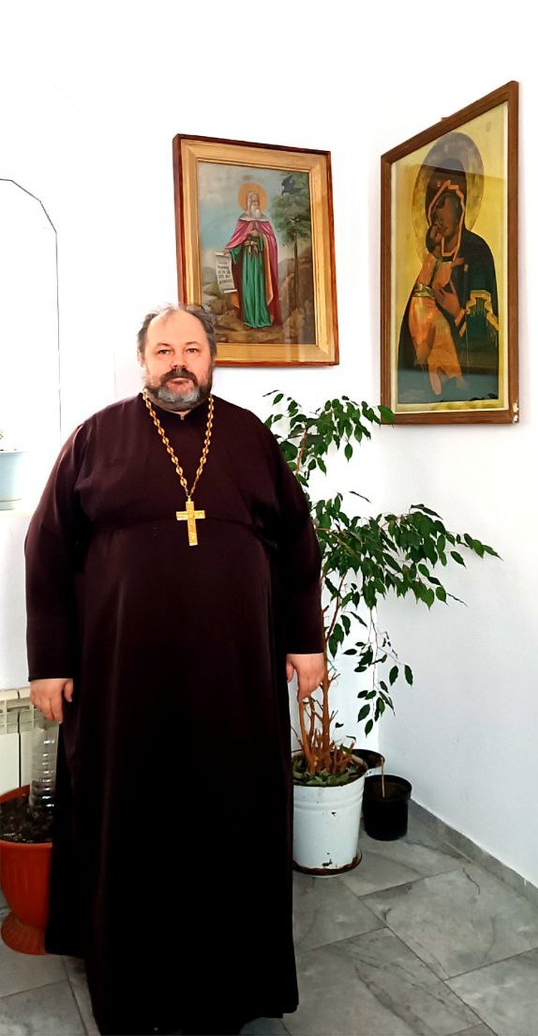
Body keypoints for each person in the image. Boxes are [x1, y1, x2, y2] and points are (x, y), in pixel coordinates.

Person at [25, 303, 325, 1036]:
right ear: (143, 360)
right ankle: (134, 986)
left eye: (192, 348)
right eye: (165, 350)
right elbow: (46, 548)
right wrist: (50, 662)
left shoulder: (249, 437)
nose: (179, 363)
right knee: (133, 819)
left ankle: (232, 986)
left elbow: (297, 542)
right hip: (123, 679)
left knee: (232, 817)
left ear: (212, 358)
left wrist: (305, 641)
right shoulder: (96, 438)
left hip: (234, 679)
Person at [398, 161, 499, 404]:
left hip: (473, 388)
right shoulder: (432, 261)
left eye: (442, 204)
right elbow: (411, 331)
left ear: (460, 203)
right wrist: (433, 253)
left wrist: (457, 312)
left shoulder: (476, 252)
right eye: (432, 209)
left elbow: (489, 334)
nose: (436, 215)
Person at [223, 186, 282, 328]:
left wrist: (260, 236)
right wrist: (230, 250)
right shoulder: (243, 220)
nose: (256, 204)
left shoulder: (264, 220)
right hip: (246, 263)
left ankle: (263, 319)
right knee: (248, 289)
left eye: (257, 201)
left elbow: (272, 241)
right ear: (248, 203)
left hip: (260, 262)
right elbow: (237, 240)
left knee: (260, 289)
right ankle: (248, 319)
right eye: (253, 201)